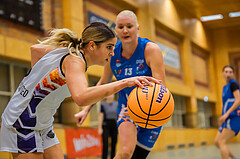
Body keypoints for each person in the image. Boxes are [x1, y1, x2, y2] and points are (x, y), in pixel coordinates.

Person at [0, 22, 161, 159]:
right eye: (109, 47)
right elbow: (82, 97)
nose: (112, 53)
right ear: (92, 46)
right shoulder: (75, 62)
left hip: (43, 123)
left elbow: (35, 49)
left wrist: (37, 79)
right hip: (23, 122)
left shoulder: (69, 53)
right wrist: (124, 82)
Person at [74, 10, 166, 159]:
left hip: (152, 109)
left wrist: (142, 108)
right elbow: (103, 83)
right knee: (124, 153)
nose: (125, 30)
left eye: (129, 26)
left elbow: (161, 89)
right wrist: (86, 110)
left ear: (137, 28)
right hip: (127, 108)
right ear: (115, 29)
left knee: (138, 156)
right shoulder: (112, 53)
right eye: (120, 26)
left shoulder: (151, 50)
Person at [214, 65, 240, 159]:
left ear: (233, 74)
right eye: (226, 72)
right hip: (227, 119)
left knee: (222, 142)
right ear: (223, 73)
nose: (228, 74)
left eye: (230, 72)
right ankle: (234, 157)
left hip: (234, 118)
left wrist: (227, 114)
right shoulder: (225, 87)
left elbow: (238, 100)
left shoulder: (234, 84)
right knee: (217, 142)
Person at [98, 94, 118, 159]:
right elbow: (101, 116)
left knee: (114, 143)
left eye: (111, 94)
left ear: (113, 95)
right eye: (109, 95)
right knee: (105, 144)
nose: (110, 96)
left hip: (114, 124)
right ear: (106, 96)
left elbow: (118, 115)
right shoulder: (103, 105)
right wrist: (100, 127)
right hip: (106, 124)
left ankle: (113, 157)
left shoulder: (116, 104)